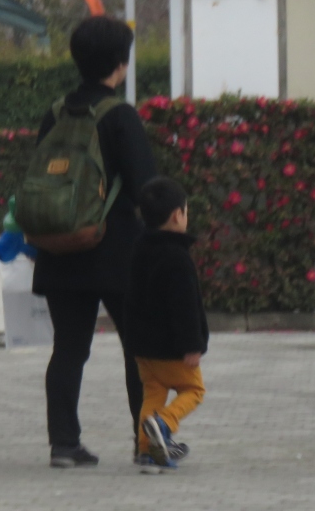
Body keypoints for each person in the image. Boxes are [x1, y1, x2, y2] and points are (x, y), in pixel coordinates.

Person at [33, 15, 157, 469]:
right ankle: (146, 443)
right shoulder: (119, 115)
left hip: (60, 246)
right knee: (139, 350)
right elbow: (146, 186)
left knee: (68, 349)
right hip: (116, 251)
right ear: (121, 63)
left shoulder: (55, 112)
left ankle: (64, 444)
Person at [126, 177, 209, 473]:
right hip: (171, 348)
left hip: (143, 347)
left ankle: (147, 452)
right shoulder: (177, 258)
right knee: (194, 389)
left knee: (153, 392)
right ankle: (164, 424)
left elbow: (131, 296)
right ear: (177, 215)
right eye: (186, 212)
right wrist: (193, 344)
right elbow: (185, 307)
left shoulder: (139, 248)